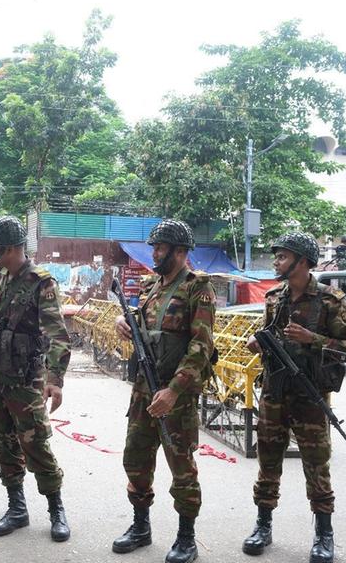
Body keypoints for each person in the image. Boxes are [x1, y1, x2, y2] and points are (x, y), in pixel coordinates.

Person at [243, 232, 346, 563]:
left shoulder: (331, 300)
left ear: (303, 261)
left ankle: (324, 534)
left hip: (309, 395)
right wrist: (258, 342)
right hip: (274, 392)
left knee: (316, 465)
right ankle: (263, 526)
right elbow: (268, 335)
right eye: (276, 256)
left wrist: (313, 338)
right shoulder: (274, 297)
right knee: (268, 462)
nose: (277, 261)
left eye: (282, 256)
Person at [111, 219, 215, 563]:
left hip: (176, 395)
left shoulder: (197, 288)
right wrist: (125, 324)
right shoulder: (154, 287)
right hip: (144, 389)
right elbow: (147, 329)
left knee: (181, 465)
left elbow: (200, 347)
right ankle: (141, 527)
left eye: (160, 248)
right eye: (154, 247)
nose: (154, 253)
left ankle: (187, 538)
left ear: (180, 251)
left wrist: (172, 391)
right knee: (135, 459)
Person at [0, 215, 71, 542]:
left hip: (26, 380)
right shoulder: (5, 279)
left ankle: (56, 509)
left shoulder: (42, 282)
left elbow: (58, 334)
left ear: (13, 248)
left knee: (35, 442)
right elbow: (0, 314)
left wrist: (55, 379)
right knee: (5, 442)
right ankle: (17, 507)